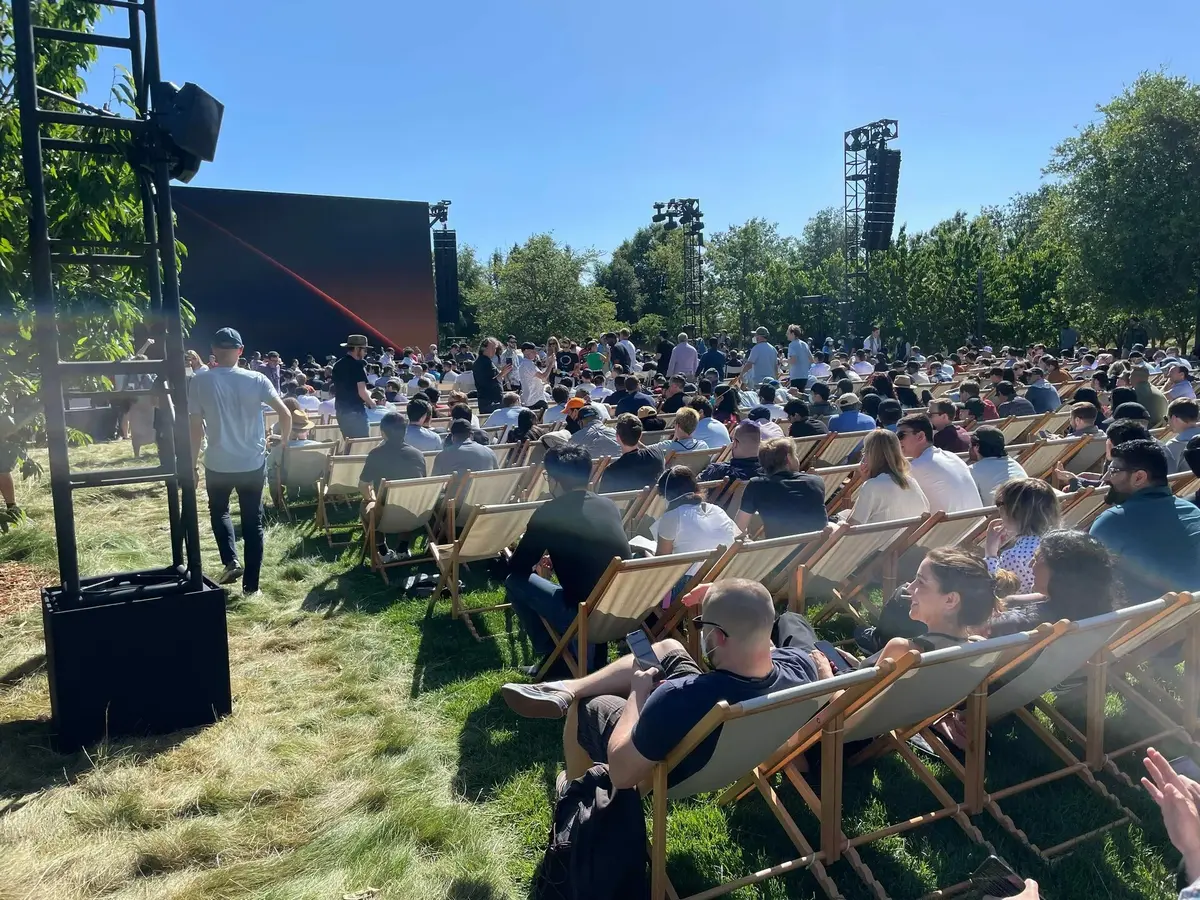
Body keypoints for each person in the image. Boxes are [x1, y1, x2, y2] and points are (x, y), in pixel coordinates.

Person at [499, 579, 834, 788]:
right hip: (732, 750)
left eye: (702, 624)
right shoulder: (805, 668)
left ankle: (574, 789)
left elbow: (622, 772)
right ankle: (567, 686)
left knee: (589, 706)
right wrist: (722, 592)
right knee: (670, 647)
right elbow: (755, 618)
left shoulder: (676, 699)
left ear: (717, 635)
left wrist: (637, 694)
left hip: (679, 765)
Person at [505, 444, 631, 674]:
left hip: (585, 614)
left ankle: (551, 654)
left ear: (555, 480)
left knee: (514, 582)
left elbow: (518, 566)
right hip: (624, 609)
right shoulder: (608, 505)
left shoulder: (550, 513)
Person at [188, 327, 292, 594]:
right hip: (251, 462)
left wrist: (191, 464)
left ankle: (230, 560)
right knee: (252, 523)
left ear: (213, 351)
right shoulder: (257, 379)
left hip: (218, 462)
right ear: (240, 351)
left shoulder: (200, 381)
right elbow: (285, 414)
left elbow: (195, 429)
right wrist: (282, 441)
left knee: (219, 511)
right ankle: (252, 588)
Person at [1089, 440, 1200, 604]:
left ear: (1139, 477)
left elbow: (1085, 583)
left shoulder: (1111, 523)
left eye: (1113, 471)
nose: (1106, 478)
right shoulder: (1192, 511)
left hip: (1144, 623)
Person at [987, 530, 1118, 636]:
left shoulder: (1015, 625)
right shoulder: (1102, 614)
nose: (1030, 564)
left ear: (1061, 571)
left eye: (1037, 558)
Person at [358, 412, 427, 563]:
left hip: (385, 515)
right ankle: (402, 548)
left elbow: (363, 485)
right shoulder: (418, 455)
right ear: (405, 431)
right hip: (413, 513)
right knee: (409, 500)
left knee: (365, 505)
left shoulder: (376, 454)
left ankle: (382, 550)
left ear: (382, 433)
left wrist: (370, 499)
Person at [737, 437, 828, 538]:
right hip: (817, 549)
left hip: (778, 551)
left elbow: (739, 528)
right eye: (796, 455)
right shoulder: (815, 481)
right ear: (788, 458)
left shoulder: (756, 485)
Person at [983, 478, 1060, 593]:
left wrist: (990, 554)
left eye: (1001, 504)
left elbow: (996, 592)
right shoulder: (1061, 543)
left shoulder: (1014, 556)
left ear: (1014, 511)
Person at [897, 414, 983, 513]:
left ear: (920, 436)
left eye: (900, 435)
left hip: (954, 527)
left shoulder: (918, 467)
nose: (897, 441)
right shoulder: (952, 457)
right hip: (976, 524)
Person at [652, 466, 740, 558]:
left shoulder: (672, 516)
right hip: (723, 569)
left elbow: (662, 559)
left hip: (689, 571)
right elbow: (739, 537)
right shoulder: (717, 510)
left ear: (667, 495)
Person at [845, 429, 929, 524]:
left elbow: (851, 527)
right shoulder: (911, 481)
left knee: (832, 526)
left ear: (870, 454)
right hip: (906, 536)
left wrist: (866, 482)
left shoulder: (872, 486)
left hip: (879, 538)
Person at [596, 414, 665, 494]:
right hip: (654, 505)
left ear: (617, 438)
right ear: (640, 436)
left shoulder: (612, 471)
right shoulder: (657, 454)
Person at [331, 334, 377, 440]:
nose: (365, 353)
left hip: (341, 412)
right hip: (356, 413)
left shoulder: (337, 365)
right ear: (357, 349)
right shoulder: (357, 365)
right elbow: (362, 391)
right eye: (364, 350)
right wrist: (372, 403)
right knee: (361, 445)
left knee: (350, 444)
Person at [967, 425, 1028, 501]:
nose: (969, 447)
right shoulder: (1015, 465)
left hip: (998, 512)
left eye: (970, 444)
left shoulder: (972, 471)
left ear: (977, 447)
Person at [433, 419, 498, 476]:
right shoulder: (489, 452)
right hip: (483, 489)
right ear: (472, 435)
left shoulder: (442, 456)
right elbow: (496, 478)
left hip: (454, 490)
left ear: (452, 436)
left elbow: (435, 484)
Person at [473, 337, 510, 415]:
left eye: (495, 348)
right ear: (484, 348)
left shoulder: (486, 361)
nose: (494, 351)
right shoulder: (482, 362)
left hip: (492, 402)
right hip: (489, 403)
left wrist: (502, 374)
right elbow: (485, 383)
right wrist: (501, 374)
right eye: (492, 348)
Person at [1163, 398, 1200, 474]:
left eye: (1167, 418)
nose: (1167, 424)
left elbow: (1169, 478)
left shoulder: (1172, 447)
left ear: (1173, 418)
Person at [515, 342, 549, 409]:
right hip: (535, 400)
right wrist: (551, 364)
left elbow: (543, 378)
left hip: (530, 400)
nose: (535, 353)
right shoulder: (528, 364)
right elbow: (543, 376)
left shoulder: (526, 364)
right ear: (526, 351)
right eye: (533, 351)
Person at [786, 325, 814, 390]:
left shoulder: (792, 345)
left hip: (796, 376)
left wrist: (785, 361)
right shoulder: (804, 344)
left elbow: (793, 360)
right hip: (805, 375)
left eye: (788, 333)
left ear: (792, 334)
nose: (786, 335)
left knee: (795, 396)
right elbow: (811, 360)